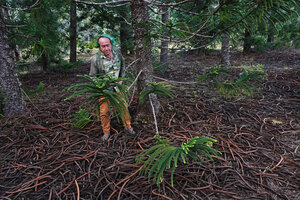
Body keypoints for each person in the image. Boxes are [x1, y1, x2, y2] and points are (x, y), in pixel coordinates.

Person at [90, 34, 135, 141]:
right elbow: (92, 76)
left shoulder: (118, 55)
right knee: (104, 111)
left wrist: (121, 79)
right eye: (103, 46)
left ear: (111, 44)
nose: (106, 48)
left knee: (123, 106)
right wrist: (103, 84)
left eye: (108, 45)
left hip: (118, 88)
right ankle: (106, 131)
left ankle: (128, 127)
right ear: (99, 47)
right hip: (104, 90)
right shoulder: (96, 59)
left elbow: (123, 67)